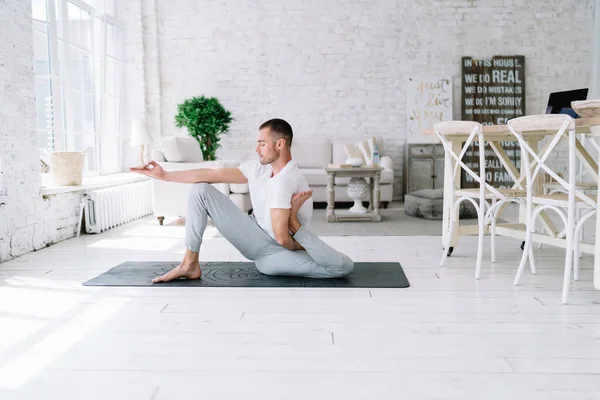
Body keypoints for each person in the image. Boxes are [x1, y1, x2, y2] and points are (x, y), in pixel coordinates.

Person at [131, 118, 354, 283]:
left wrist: (293, 223)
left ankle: (288, 250)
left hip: (274, 252)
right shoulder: (259, 169)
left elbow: (283, 240)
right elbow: (210, 175)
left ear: (280, 144)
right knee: (201, 190)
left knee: (342, 266)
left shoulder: (286, 180)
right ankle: (189, 263)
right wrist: (164, 175)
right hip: (256, 236)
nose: (256, 149)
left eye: (262, 143)